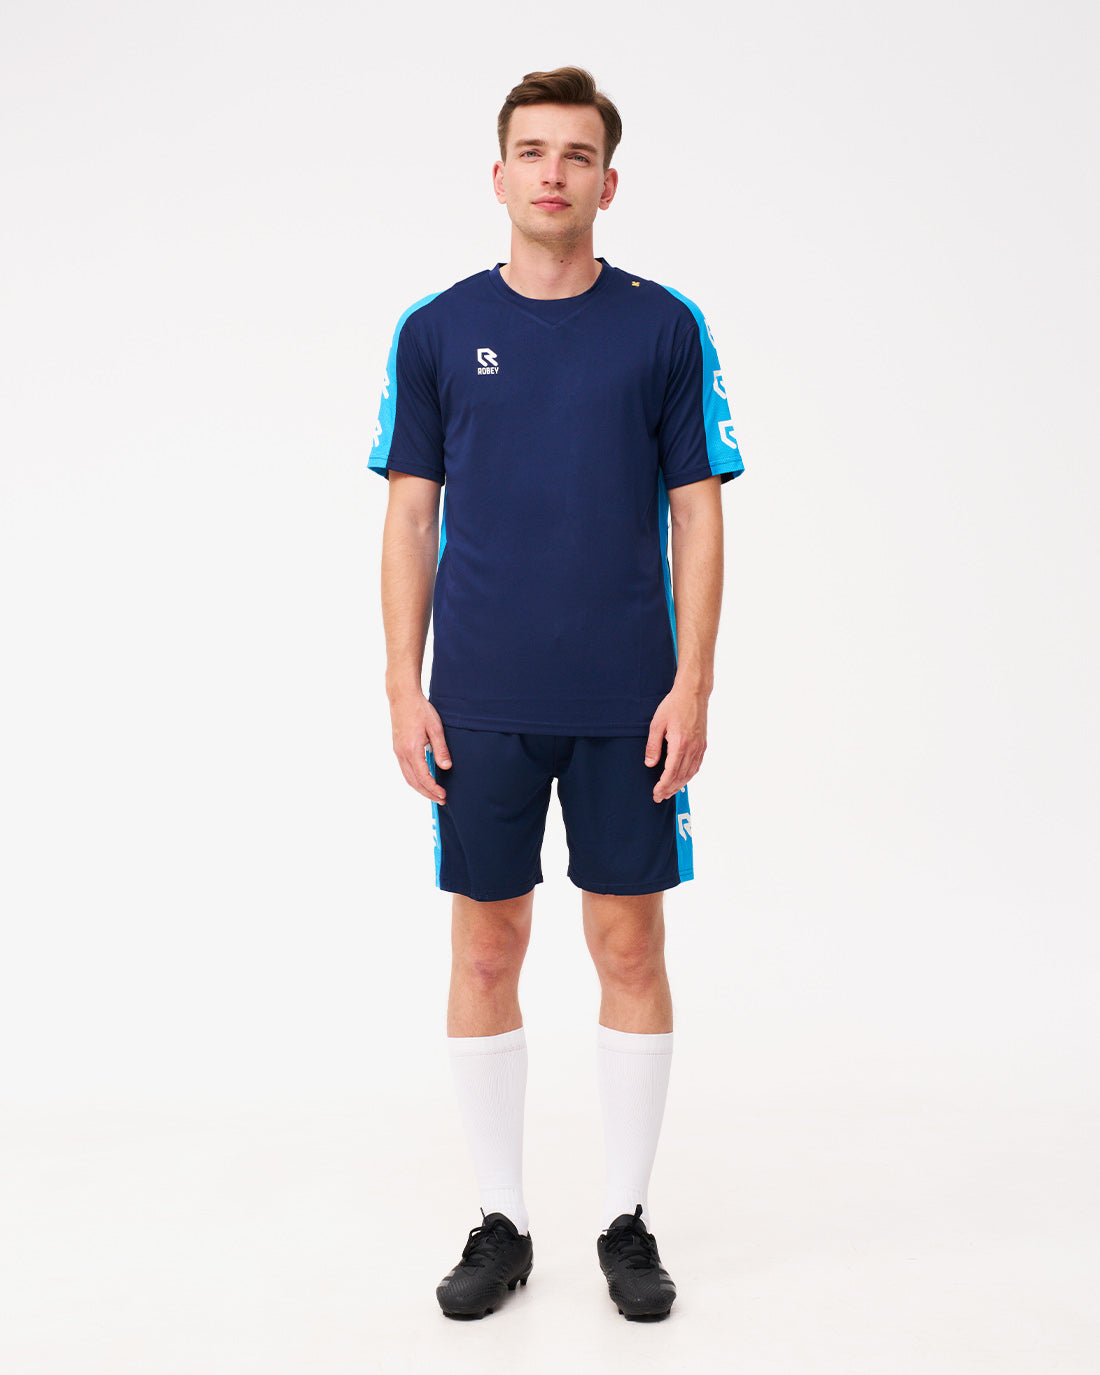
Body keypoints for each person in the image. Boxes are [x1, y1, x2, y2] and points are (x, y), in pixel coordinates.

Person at [369, 66, 744, 1321]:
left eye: (575, 155)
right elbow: (408, 513)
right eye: (531, 151)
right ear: (497, 176)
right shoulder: (435, 330)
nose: (551, 173)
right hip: (477, 696)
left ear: (606, 183)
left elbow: (697, 512)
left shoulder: (661, 327)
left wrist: (693, 682)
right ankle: (502, 1219)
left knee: (628, 942)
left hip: (626, 696)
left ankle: (625, 1218)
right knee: (486, 945)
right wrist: (401, 683)